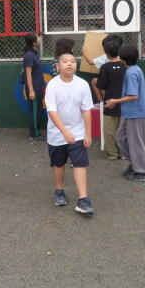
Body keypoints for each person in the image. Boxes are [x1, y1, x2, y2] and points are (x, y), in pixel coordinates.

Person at [45, 51, 95, 215]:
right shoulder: (52, 85)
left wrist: (88, 133)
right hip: (57, 133)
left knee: (80, 163)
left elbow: (86, 110)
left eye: (72, 61)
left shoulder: (83, 84)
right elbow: (52, 111)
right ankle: (59, 191)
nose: (69, 64)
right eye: (65, 61)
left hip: (78, 133)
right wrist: (64, 131)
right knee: (58, 163)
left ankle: (83, 199)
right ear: (58, 66)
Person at [106, 43, 145, 182]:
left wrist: (115, 101)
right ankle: (136, 164)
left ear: (122, 59)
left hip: (135, 113)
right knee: (121, 138)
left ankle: (142, 172)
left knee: (136, 142)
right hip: (132, 113)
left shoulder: (131, 73)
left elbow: (133, 95)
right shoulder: (135, 69)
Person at [95, 37, 126, 160]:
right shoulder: (125, 66)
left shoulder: (105, 67)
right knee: (123, 130)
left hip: (110, 102)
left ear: (106, 54)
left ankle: (112, 154)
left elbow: (101, 86)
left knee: (109, 131)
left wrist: (104, 99)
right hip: (124, 102)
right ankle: (123, 152)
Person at [83, 34, 123, 101]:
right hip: (121, 85)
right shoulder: (124, 55)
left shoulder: (105, 59)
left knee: (98, 81)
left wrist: (84, 52)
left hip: (109, 84)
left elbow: (90, 62)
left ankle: (103, 102)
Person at [22, 32, 46, 141]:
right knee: (35, 112)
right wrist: (31, 91)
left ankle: (37, 133)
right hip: (34, 89)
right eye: (38, 37)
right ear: (34, 42)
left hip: (39, 87)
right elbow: (28, 74)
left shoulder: (34, 53)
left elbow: (37, 71)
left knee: (38, 111)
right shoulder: (29, 56)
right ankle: (34, 135)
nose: (40, 38)